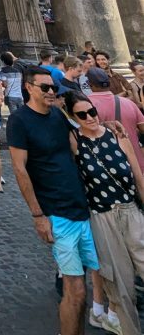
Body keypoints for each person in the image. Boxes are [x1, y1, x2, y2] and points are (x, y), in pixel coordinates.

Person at [7, 66, 98, 335]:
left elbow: (76, 146)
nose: (51, 92)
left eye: (53, 88)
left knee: (85, 288)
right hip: (57, 213)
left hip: (81, 205)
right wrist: (38, 215)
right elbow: (20, 169)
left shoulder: (58, 116)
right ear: (28, 87)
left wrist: (103, 128)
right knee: (77, 290)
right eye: (45, 87)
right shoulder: (19, 121)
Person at [65, 92, 144, 335]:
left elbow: (138, 176)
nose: (90, 117)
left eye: (92, 112)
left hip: (131, 211)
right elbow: (54, 114)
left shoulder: (117, 134)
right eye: (82, 114)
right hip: (102, 217)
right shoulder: (73, 140)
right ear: (72, 117)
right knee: (120, 286)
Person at [87, 67, 144, 170]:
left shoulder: (86, 106)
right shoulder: (129, 103)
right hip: (137, 163)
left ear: (89, 84)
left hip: (111, 166)